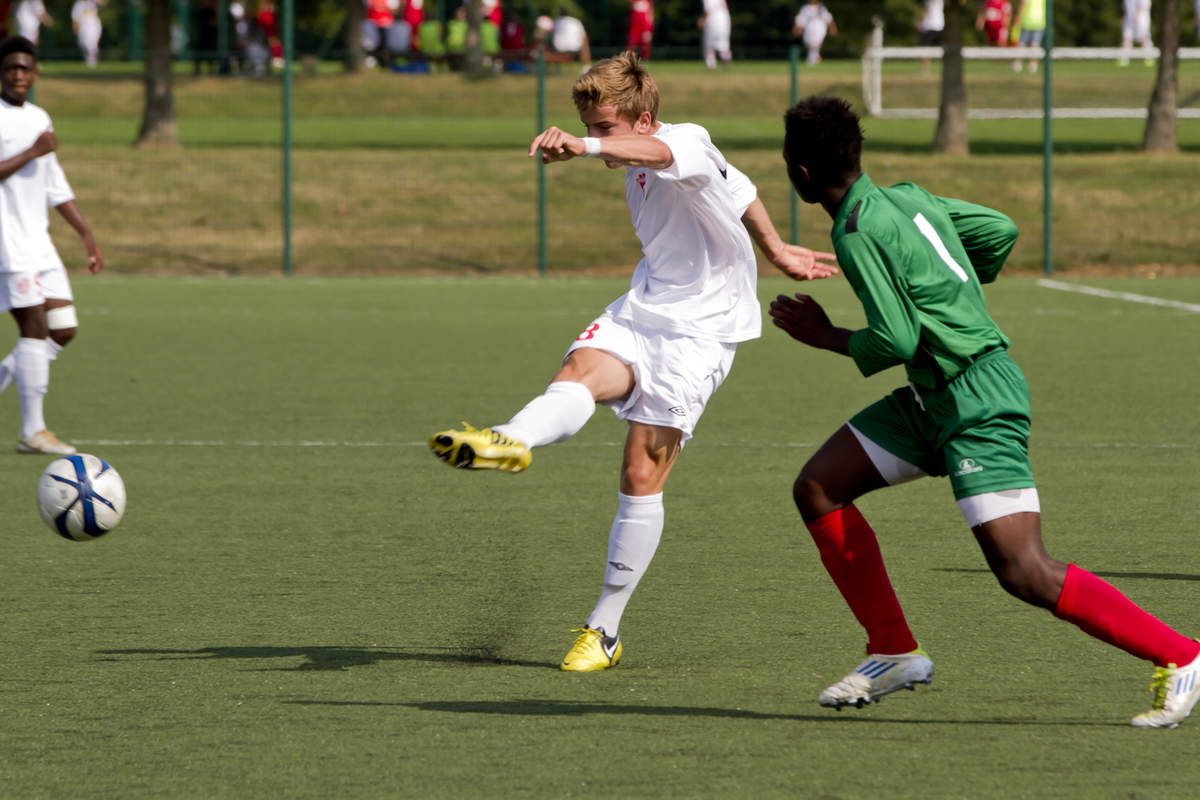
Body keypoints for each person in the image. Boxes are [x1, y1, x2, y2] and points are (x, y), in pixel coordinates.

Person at [767, 95, 1200, 728]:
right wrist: (954, 290)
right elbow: (999, 231)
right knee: (819, 487)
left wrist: (825, 334)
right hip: (930, 399)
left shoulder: (855, 233)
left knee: (1023, 569)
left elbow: (897, 341)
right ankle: (892, 647)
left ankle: (1181, 655)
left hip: (976, 399)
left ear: (800, 175)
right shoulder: (908, 196)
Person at [429, 52, 838, 673]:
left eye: (605, 127)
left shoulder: (681, 143)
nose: (596, 140)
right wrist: (779, 249)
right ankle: (508, 439)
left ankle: (605, 630)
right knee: (575, 376)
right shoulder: (646, 150)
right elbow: (745, 190)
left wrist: (589, 150)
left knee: (640, 474)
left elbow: (672, 159)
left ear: (643, 120)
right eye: (589, 127)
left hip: (700, 333)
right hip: (643, 306)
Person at [0, 35, 104, 455]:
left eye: (25, 68)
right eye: (11, 68)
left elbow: (54, 184)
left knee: (63, 329)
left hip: (39, 244)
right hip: (7, 244)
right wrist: (32, 150)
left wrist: (84, 231)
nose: (19, 75)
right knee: (34, 327)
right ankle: (33, 430)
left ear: (35, 73)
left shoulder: (41, 117)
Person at [792, 0, 835, 66]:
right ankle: (816, 57)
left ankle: (811, 61)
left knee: (815, 44)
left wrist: (832, 28)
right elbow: (800, 19)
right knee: (809, 45)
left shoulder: (821, 8)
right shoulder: (805, 9)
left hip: (819, 29)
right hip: (808, 30)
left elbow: (828, 18)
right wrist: (797, 28)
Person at [1009, 0, 1044, 72]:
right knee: (1035, 44)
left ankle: (1017, 64)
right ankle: (1033, 65)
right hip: (1040, 22)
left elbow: (1023, 4)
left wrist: (1018, 16)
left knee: (1022, 43)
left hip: (1027, 21)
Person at [698, 0, 731, 70]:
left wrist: (702, 19)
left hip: (712, 21)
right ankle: (725, 57)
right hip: (725, 21)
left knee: (709, 46)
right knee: (723, 45)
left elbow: (708, 10)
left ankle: (711, 65)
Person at [1120, 0, 1153, 67]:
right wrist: (1124, 19)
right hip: (1129, 20)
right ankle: (1124, 59)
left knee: (1145, 39)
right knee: (1127, 39)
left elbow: (1145, 5)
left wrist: (1137, 15)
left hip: (1142, 20)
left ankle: (1149, 58)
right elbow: (1126, 8)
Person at [70, 0, 102, 68]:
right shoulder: (79, 4)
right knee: (82, 44)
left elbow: (103, 2)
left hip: (94, 26)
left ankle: (92, 62)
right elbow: (75, 18)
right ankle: (91, 59)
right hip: (83, 27)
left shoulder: (93, 2)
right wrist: (75, 28)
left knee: (91, 44)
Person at [915, 0, 943, 74]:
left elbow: (926, 11)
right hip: (939, 25)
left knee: (926, 49)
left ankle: (925, 70)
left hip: (930, 26)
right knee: (938, 49)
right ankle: (926, 70)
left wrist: (920, 22)